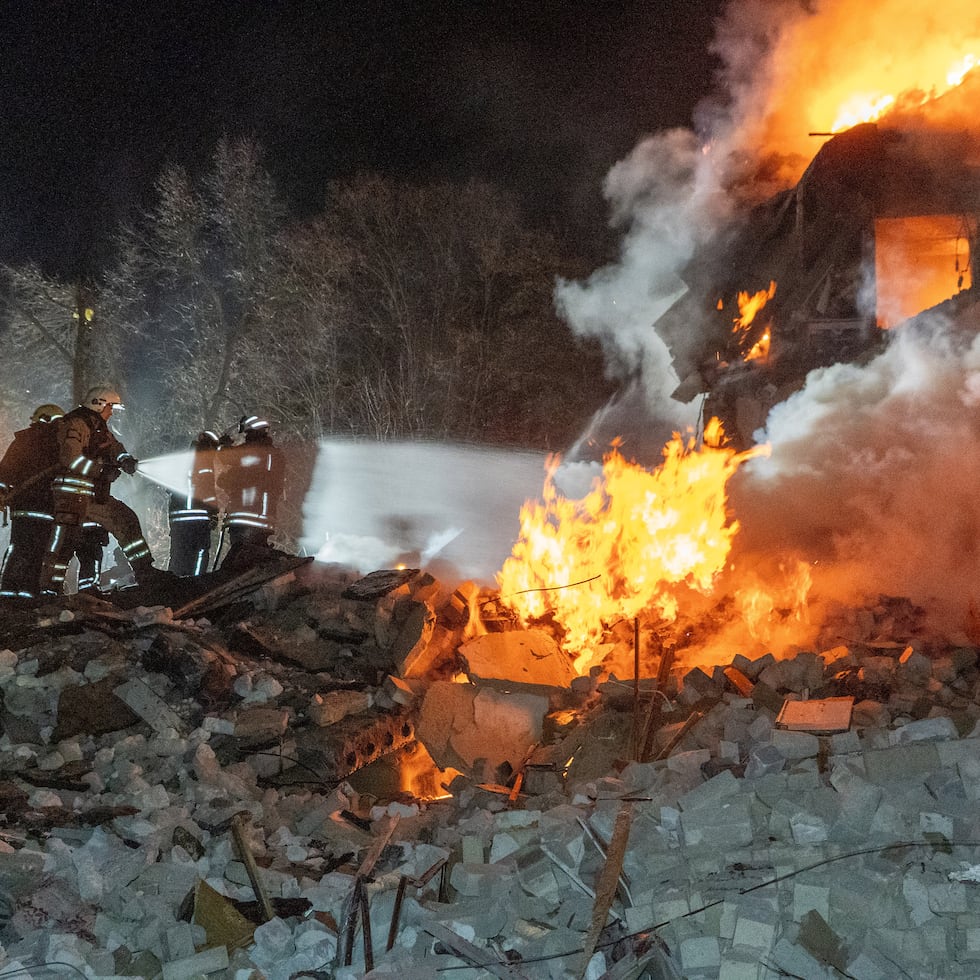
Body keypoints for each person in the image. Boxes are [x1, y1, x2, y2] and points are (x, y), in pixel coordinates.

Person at [38, 383, 167, 594]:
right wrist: (100, 471)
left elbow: (113, 447)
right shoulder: (77, 424)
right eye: (110, 408)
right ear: (98, 404)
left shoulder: (98, 426)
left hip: (89, 495)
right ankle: (48, 590)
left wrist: (125, 460)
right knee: (64, 542)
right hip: (69, 494)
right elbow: (70, 459)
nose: (111, 413)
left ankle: (145, 572)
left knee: (126, 519)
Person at [0, 403, 65, 599]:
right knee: (37, 551)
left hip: (25, 507)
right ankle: (25, 594)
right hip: (45, 507)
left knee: (20, 547)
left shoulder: (23, 440)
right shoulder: (57, 443)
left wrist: (2, 492)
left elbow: (5, 470)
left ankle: (10, 592)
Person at [215, 414, 286, 571]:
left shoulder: (253, 451)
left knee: (241, 559)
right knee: (256, 559)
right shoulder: (274, 455)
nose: (246, 438)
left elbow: (226, 457)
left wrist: (223, 445)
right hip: (266, 518)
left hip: (246, 516)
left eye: (247, 434)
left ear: (252, 432)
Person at [168, 429, 223, 576]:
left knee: (178, 556)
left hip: (178, 520)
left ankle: (172, 589)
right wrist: (213, 514)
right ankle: (195, 586)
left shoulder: (183, 459)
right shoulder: (204, 461)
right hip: (196, 519)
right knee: (200, 554)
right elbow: (208, 490)